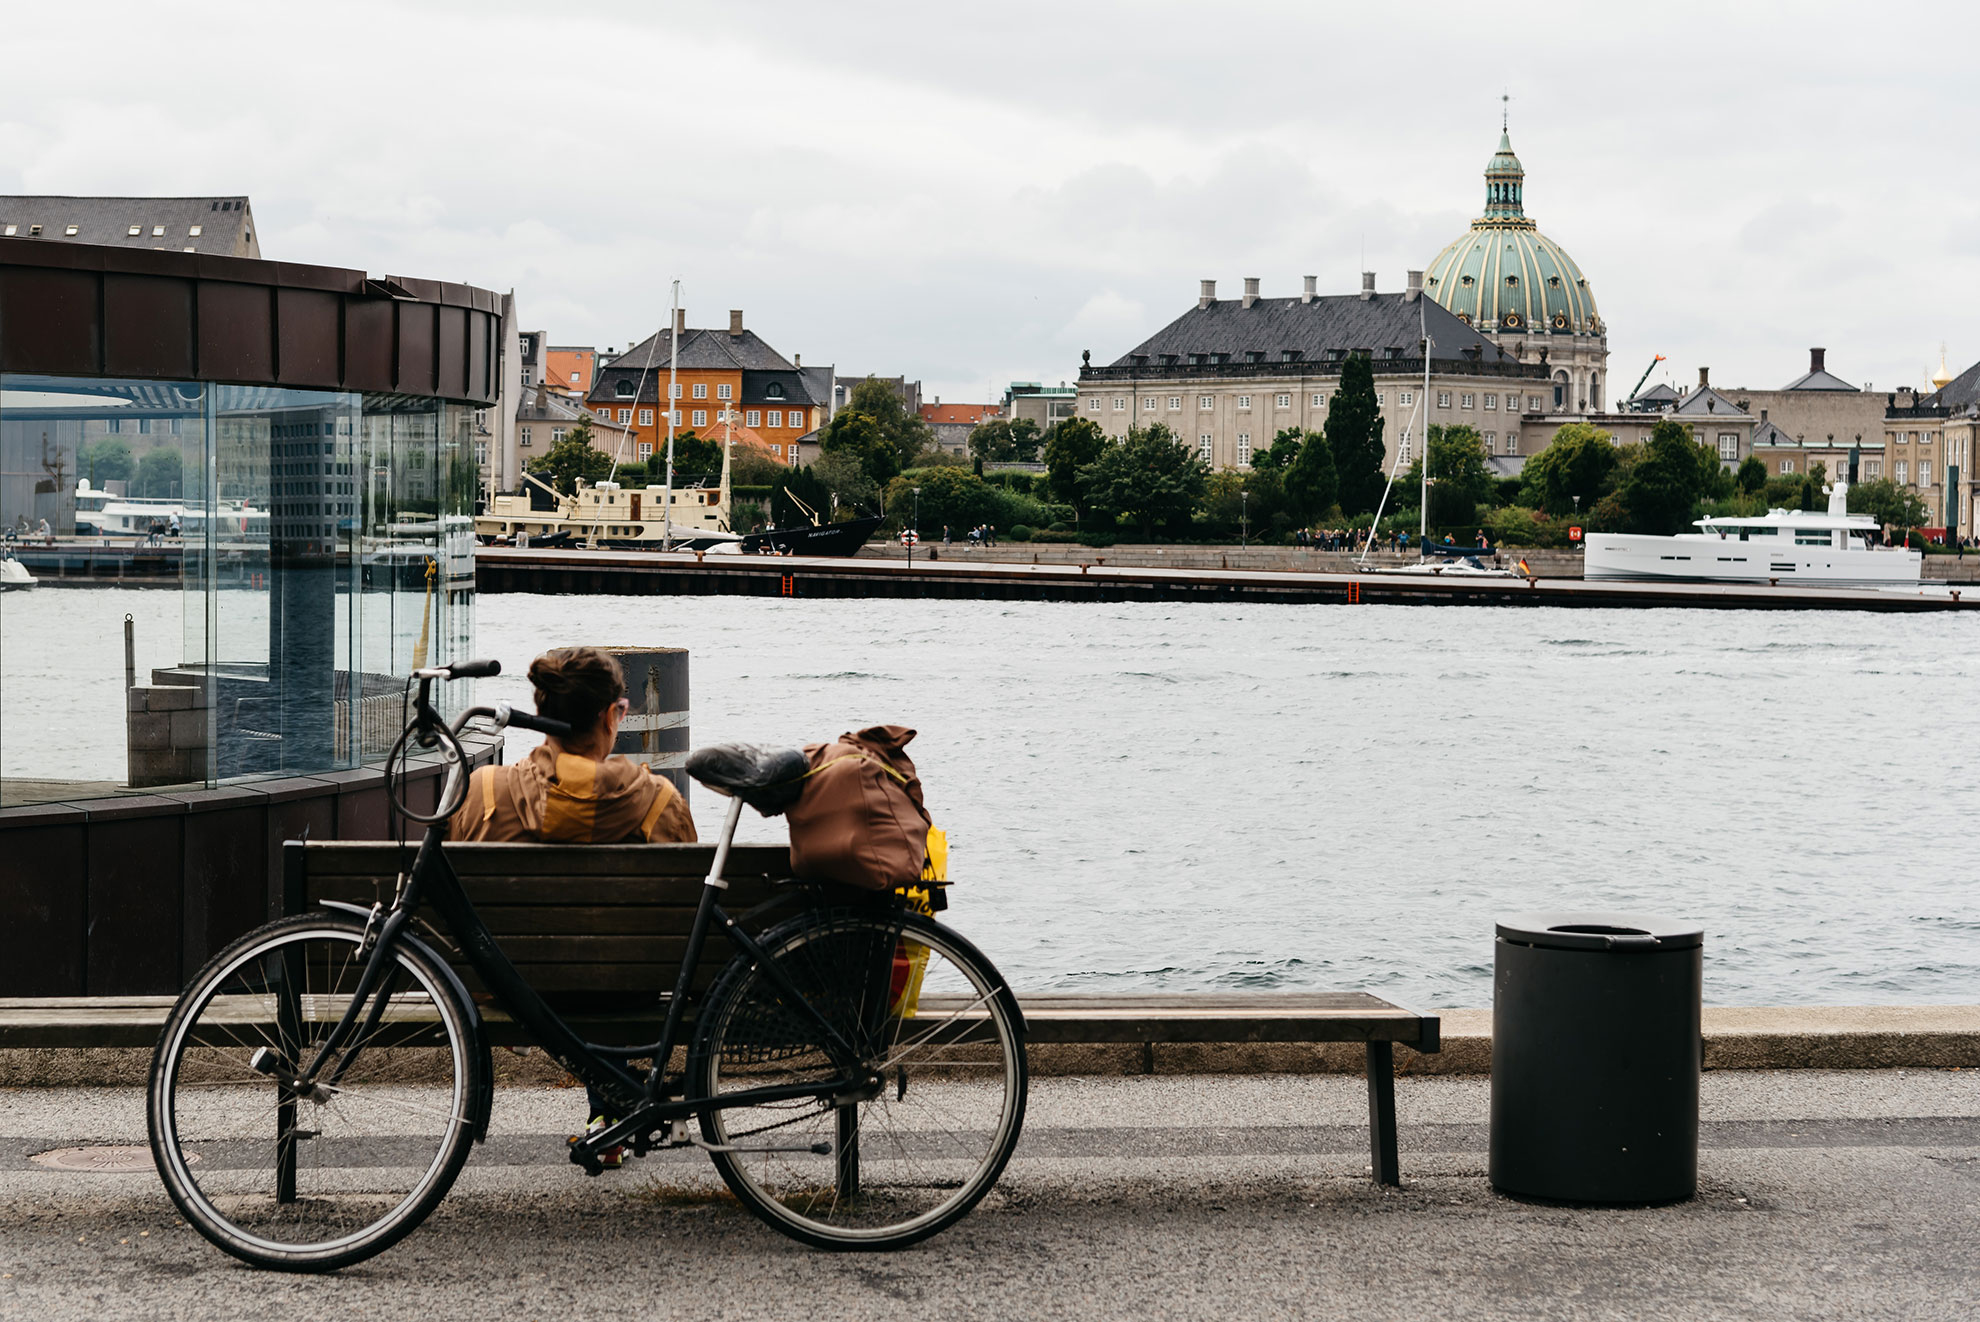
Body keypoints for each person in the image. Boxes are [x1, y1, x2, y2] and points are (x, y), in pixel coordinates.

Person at [448, 646, 697, 1166]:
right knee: (613, 959)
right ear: (611, 716)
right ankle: (614, 1112)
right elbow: (686, 916)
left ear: (543, 713)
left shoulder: (481, 791)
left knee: (572, 964)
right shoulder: (658, 801)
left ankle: (606, 1115)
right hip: (627, 988)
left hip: (516, 991)